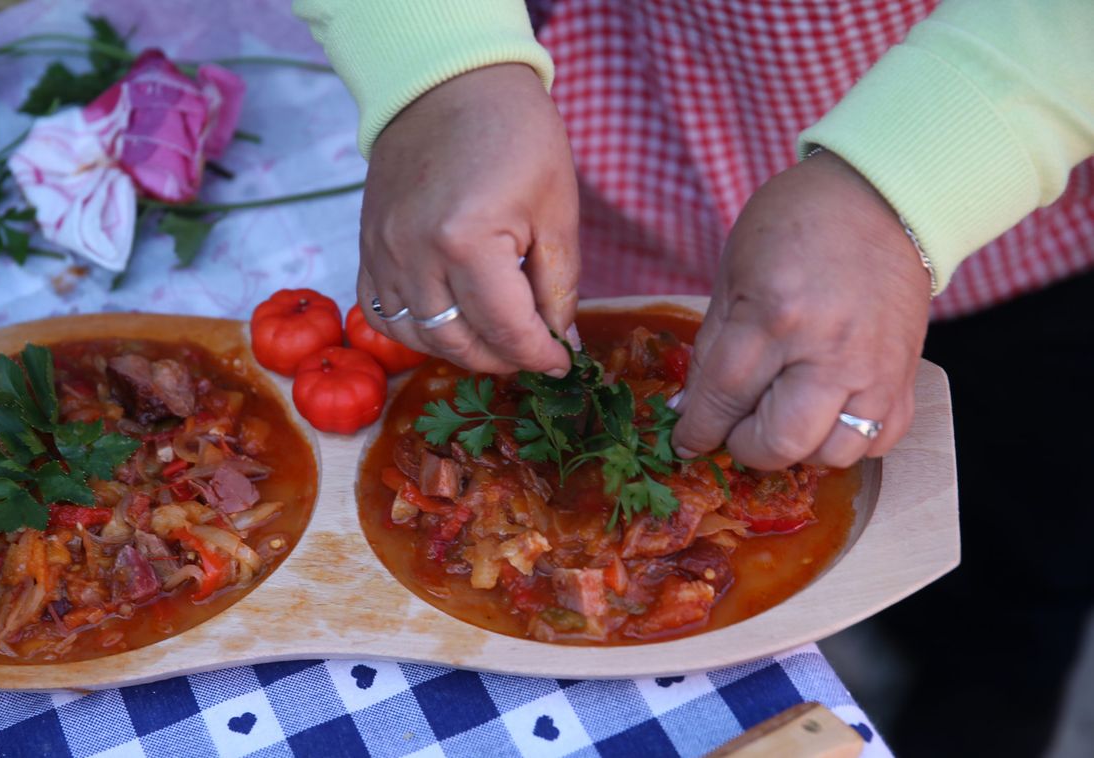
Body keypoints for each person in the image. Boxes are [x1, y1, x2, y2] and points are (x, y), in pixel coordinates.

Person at [293, 0, 1094, 754]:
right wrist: (437, 65)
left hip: (992, 206)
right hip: (595, 146)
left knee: (1014, 588)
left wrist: (907, 183)